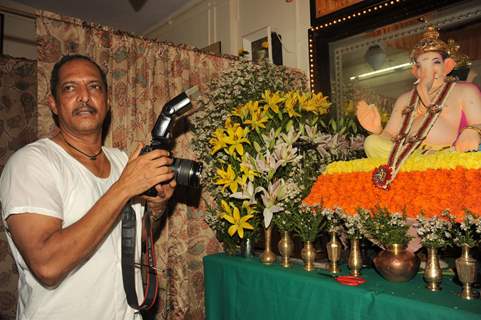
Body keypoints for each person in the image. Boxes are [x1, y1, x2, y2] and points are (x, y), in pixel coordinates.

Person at [0, 54, 176, 320]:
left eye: (94, 87)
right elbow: (48, 265)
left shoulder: (121, 160)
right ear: (54, 104)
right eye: (70, 88)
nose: (84, 96)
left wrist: (158, 206)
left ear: (106, 102)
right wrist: (125, 187)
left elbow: (131, 240)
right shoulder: (31, 163)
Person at [356, 26, 481, 160]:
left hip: (444, 155)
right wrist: (377, 130)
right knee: (371, 142)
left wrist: (472, 131)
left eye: (436, 62)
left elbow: (478, 122)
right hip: (405, 154)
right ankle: (406, 162)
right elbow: (390, 135)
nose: (429, 70)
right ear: (415, 71)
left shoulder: (464, 90)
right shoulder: (404, 99)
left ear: (448, 65)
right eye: (421, 65)